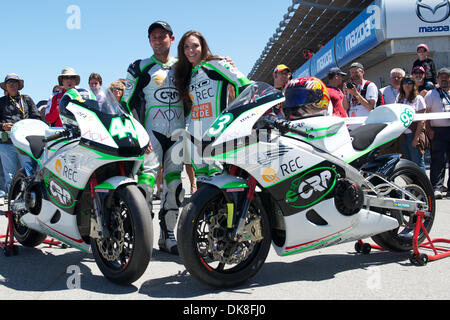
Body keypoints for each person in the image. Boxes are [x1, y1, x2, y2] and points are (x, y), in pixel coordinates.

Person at [123, 21, 185, 254]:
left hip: (179, 132)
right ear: (149, 41)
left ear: (172, 38)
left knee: (175, 185)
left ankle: (168, 236)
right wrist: (138, 134)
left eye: (163, 36)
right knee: (146, 185)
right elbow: (125, 103)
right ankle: (142, 236)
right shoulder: (139, 66)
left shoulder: (185, 65)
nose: (158, 40)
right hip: (151, 133)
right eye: (154, 37)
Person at [174, 30, 251, 179]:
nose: (191, 50)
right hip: (194, 134)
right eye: (186, 47)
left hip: (217, 133)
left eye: (195, 46)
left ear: (203, 46)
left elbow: (243, 84)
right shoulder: (185, 74)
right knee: (202, 180)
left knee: (219, 180)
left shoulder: (216, 64)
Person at [0, 73, 40, 197]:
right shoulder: (1, 102)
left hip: (24, 143)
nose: (12, 84)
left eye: (14, 82)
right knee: (10, 174)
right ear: (5, 86)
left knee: (29, 171)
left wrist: (25, 125)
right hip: (6, 143)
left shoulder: (26, 99)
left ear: (19, 85)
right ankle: (13, 201)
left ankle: (30, 198)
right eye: (9, 82)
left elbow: (37, 118)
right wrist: (2, 126)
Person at [425, 67, 450, 199]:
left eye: (447, 76)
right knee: (438, 160)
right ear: (438, 79)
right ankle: (437, 188)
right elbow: (426, 114)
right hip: (438, 131)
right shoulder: (431, 94)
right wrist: (429, 130)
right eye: (442, 77)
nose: (444, 79)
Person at [396, 75, 427, 172]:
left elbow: (421, 121)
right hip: (403, 135)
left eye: (409, 82)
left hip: (413, 134)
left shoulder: (418, 99)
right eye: (404, 82)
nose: (407, 85)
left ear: (413, 85)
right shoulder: (399, 99)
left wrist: (416, 138)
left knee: (417, 164)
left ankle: (424, 186)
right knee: (408, 165)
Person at [342, 62, 378, 130]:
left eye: (356, 72)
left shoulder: (369, 85)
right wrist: (345, 94)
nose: (354, 75)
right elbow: (346, 107)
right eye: (352, 73)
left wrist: (356, 94)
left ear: (362, 72)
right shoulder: (351, 88)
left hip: (366, 126)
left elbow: (370, 107)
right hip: (352, 127)